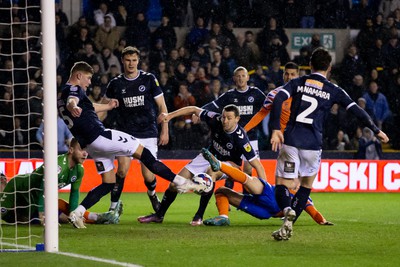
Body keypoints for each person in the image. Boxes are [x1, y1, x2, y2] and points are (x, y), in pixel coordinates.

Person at [57, 61, 207, 227]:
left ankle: (77, 212)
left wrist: (107, 106)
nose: (89, 82)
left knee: (108, 182)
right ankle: (181, 182)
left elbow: (88, 106)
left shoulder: (61, 95)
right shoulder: (73, 90)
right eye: (88, 78)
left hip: (91, 145)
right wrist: (73, 106)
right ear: (78, 76)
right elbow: (73, 99)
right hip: (101, 136)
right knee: (144, 153)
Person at [269, 48, 389, 241]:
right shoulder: (334, 90)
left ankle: (286, 210)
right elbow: (357, 110)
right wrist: (376, 130)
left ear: (310, 65)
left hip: (291, 140)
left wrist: (275, 128)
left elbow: (279, 99)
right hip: (313, 145)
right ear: (329, 68)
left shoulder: (297, 82)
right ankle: (289, 223)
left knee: (282, 184)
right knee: (305, 187)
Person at [137, 104, 267, 225]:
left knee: (212, 172)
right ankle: (159, 215)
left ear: (237, 119)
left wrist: (265, 192)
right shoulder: (216, 119)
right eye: (223, 117)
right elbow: (194, 109)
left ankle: (199, 215)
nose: (225, 121)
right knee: (174, 184)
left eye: (229, 118)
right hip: (208, 155)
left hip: (229, 165)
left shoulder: (241, 139)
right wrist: (169, 116)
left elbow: (258, 165)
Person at [104, 46, 170, 212]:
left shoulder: (149, 79)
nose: (131, 63)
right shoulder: (115, 83)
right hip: (125, 133)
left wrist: (165, 129)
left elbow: (162, 105)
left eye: (134, 60)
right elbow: (104, 107)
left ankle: (152, 193)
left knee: (148, 175)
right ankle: (113, 208)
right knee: (121, 171)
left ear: (138, 61)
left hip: (147, 132)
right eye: (128, 60)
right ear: (122, 61)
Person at [0, 138, 119, 226]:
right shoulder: (57, 165)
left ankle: (98, 217)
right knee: (6, 215)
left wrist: (74, 215)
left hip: (37, 199)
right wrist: (42, 213)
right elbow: (44, 188)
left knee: (64, 218)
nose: (85, 153)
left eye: (86, 150)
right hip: (20, 189)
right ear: (71, 150)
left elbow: (74, 193)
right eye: (81, 149)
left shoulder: (79, 170)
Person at [200, 148, 333, 226]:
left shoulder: (287, 188)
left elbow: (312, 210)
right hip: (265, 212)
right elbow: (313, 212)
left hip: (271, 197)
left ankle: (220, 165)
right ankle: (223, 217)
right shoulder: (302, 196)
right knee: (221, 191)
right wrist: (322, 221)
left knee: (249, 180)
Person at [201, 66, 266, 187]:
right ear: (234, 79)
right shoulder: (229, 95)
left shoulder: (256, 93)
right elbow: (213, 105)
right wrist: (200, 111)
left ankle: (247, 198)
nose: (241, 78)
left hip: (250, 137)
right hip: (232, 138)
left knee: (248, 170)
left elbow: (268, 105)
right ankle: (228, 194)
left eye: (243, 75)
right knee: (232, 170)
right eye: (238, 76)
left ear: (248, 77)